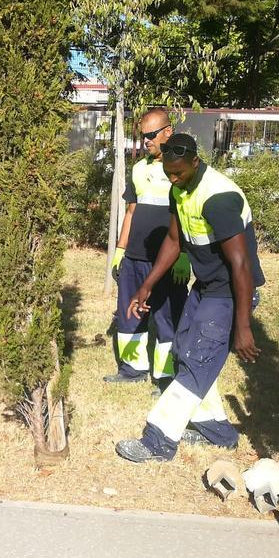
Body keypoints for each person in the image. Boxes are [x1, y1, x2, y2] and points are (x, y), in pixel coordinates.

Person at [115, 133, 265, 463]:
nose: (173, 178)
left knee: (197, 361)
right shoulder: (179, 187)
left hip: (230, 292)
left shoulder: (218, 197)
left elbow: (241, 266)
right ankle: (217, 430)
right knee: (184, 351)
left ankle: (157, 441)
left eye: (179, 173)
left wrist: (242, 325)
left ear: (195, 162)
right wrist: (147, 286)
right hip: (207, 286)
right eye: (169, 173)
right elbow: (173, 240)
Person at [105, 108, 191, 390]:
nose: (146, 142)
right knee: (130, 313)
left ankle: (167, 376)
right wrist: (120, 251)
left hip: (167, 260)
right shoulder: (140, 169)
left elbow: (189, 214)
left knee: (168, 318)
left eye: (151, 135)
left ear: (168, 131)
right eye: (143, 136)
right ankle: (133, 368)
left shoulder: (182, 167)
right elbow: (131, 211)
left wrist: (185, 256)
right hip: (135, 259)